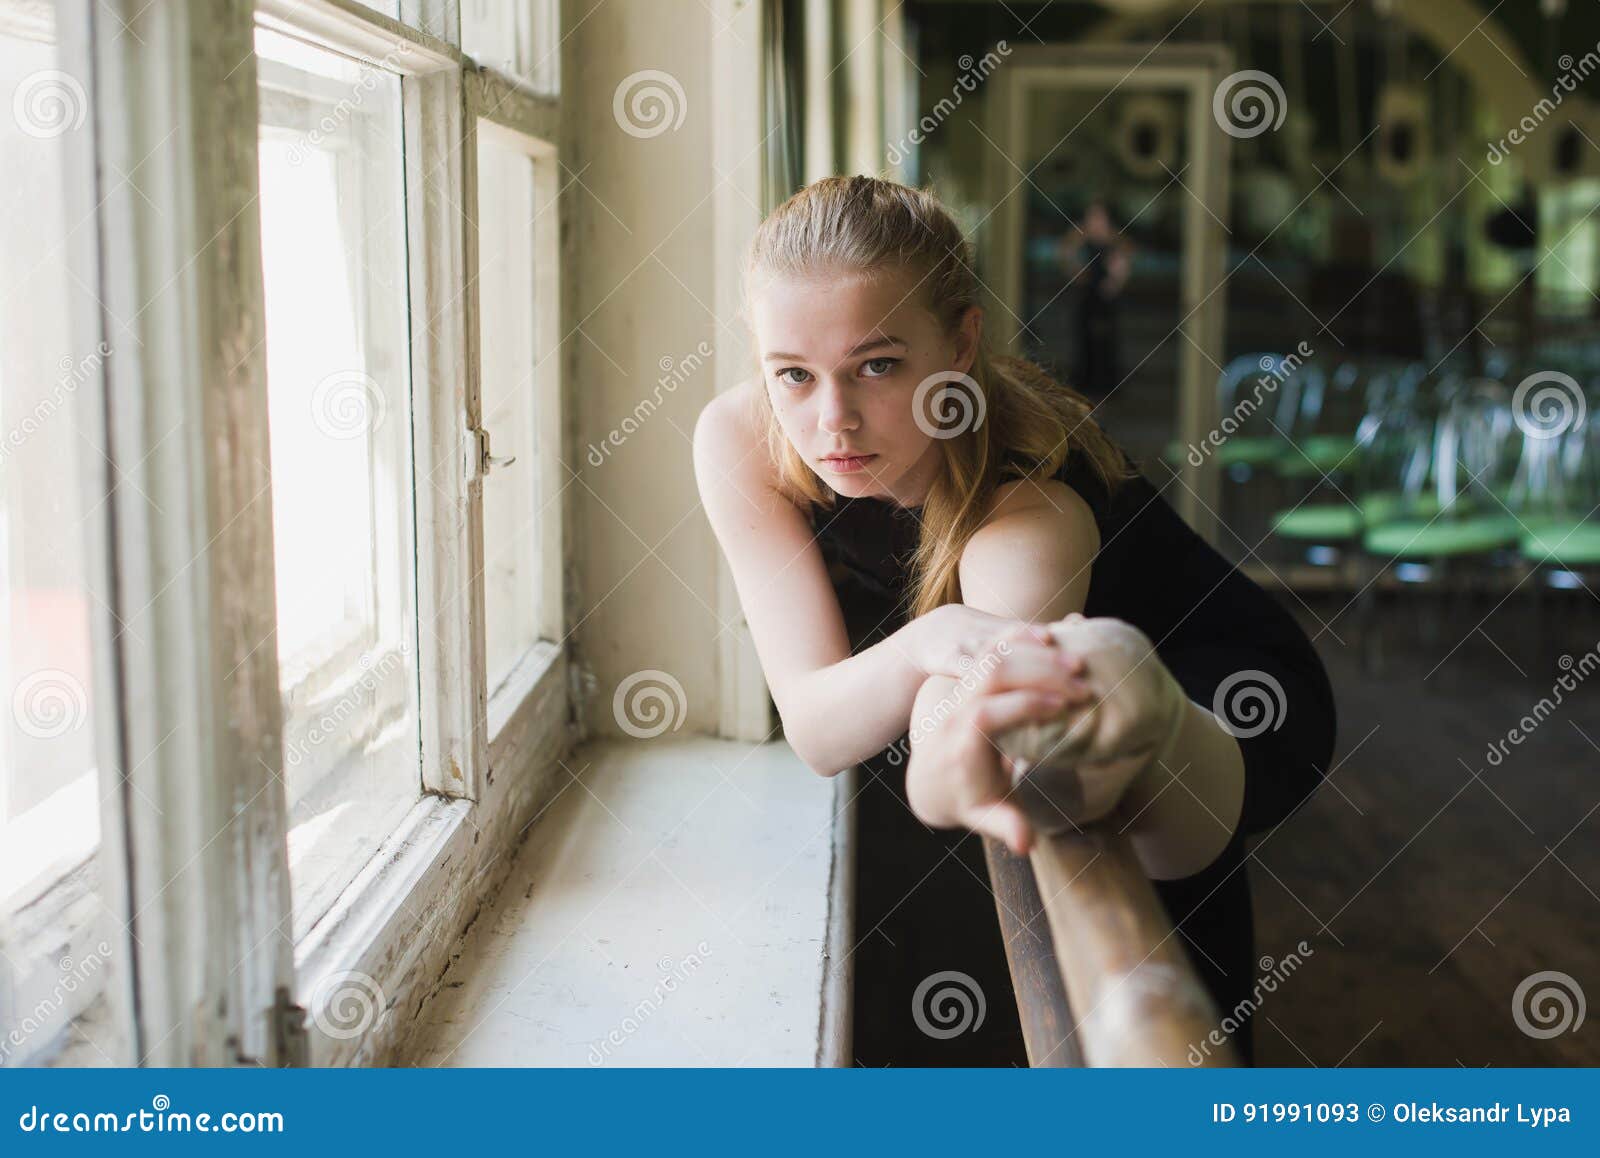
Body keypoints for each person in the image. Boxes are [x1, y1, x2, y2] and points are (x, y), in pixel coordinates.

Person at [692, 175, 1336, 1067]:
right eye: (792, 375)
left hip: (1225, 689)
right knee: (1052, 757)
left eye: (877, 365)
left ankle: (1131, 689)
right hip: (1048, 660)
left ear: (961, 340)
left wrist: (954, 683)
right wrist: (925, 643)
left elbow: (966, 733)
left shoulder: (1027, 501)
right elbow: (815, 726)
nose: (831, 419)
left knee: (1116, 788)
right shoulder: (740, 438)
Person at [1059, 198, 1131, 398]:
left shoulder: (1114, 240)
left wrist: (1115, 283)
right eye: (1093, 217)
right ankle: (1085, 383)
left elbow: (1124, 263)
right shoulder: (1080, 238)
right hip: (1086, 296)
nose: (1096, 222)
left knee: (1106, 342)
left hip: (1106, 298)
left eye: (1100, 218)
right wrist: (1076, 272)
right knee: (1084, 340)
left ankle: (1106, 386)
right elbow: (1066, 256)